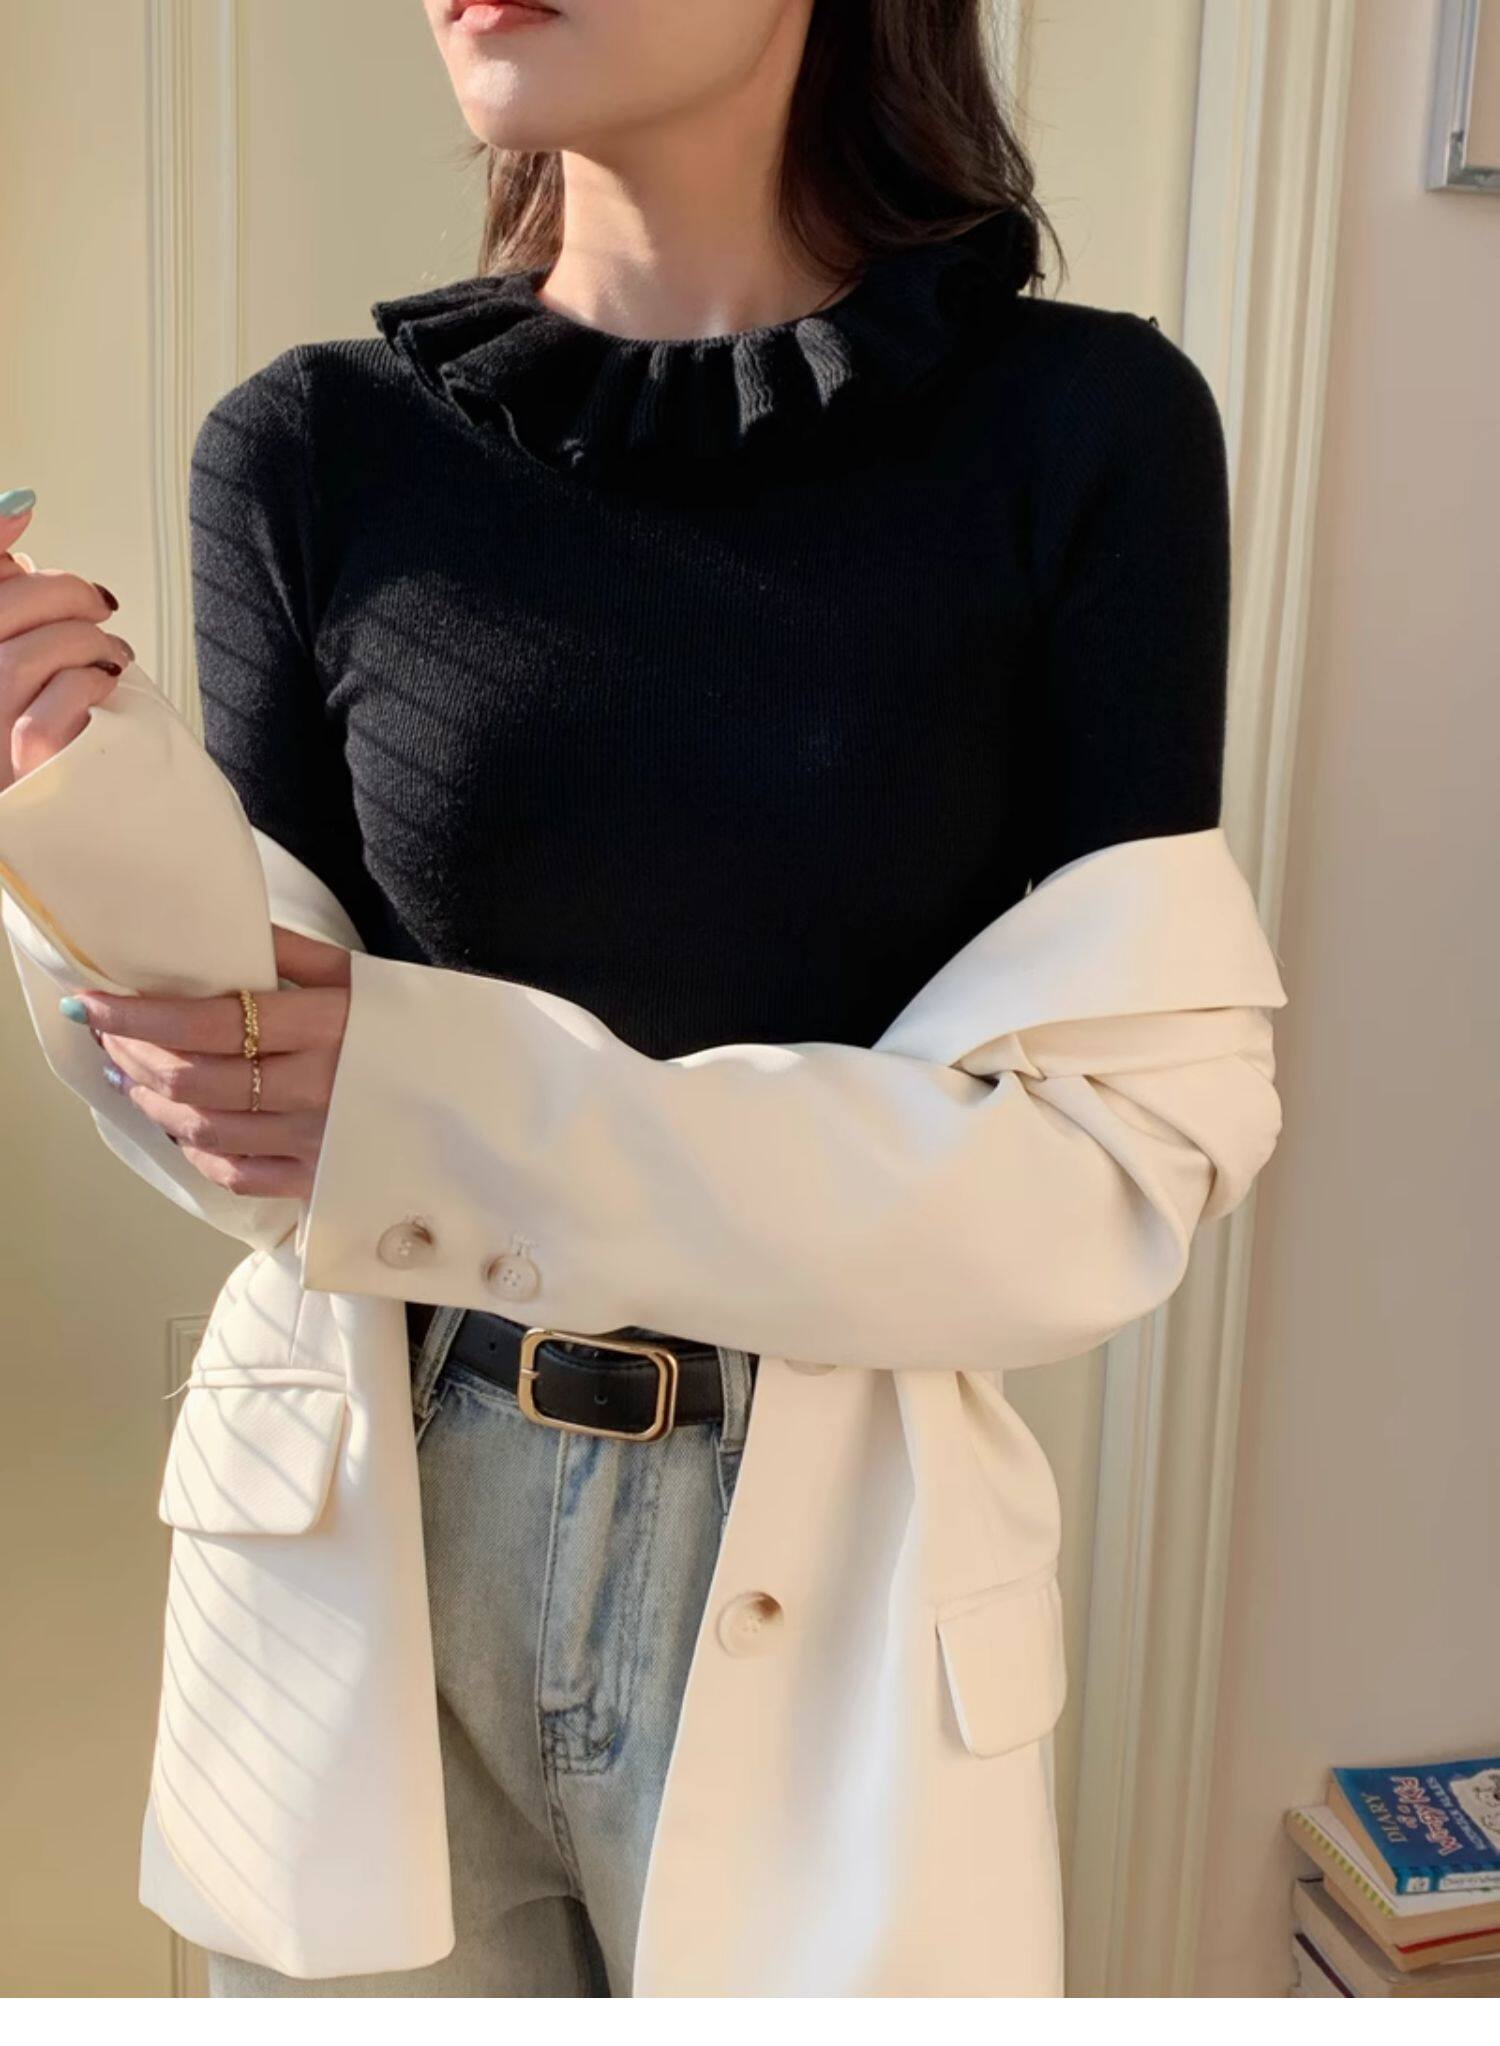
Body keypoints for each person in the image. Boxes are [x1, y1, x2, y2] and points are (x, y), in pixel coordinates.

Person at [0, 0, 1286, 1998]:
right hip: (363, 1558)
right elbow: (269, 1120)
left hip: (841, 1565)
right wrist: (63, 796)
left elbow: (1112, 1170)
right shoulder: (311, 447)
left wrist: (451, 1107)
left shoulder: (1089, 428)